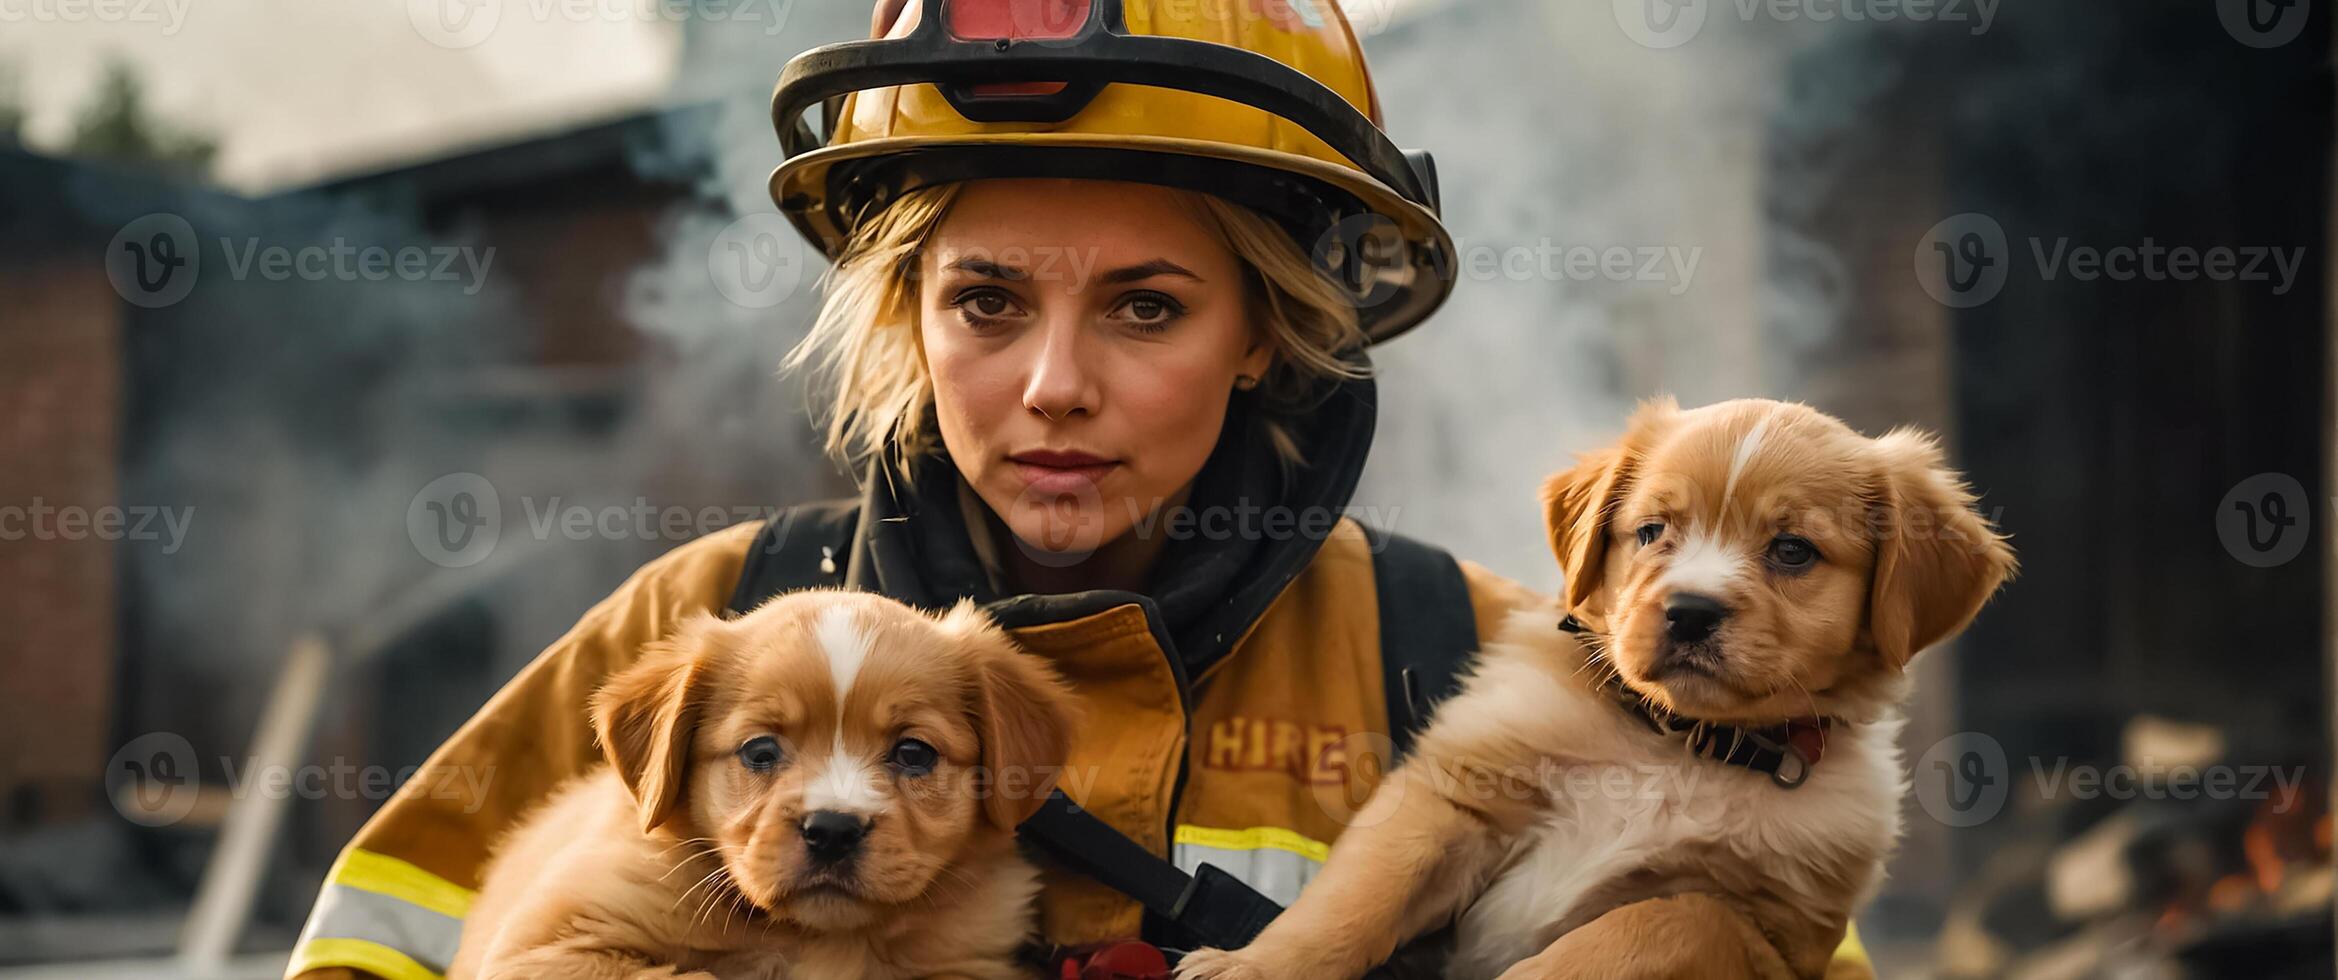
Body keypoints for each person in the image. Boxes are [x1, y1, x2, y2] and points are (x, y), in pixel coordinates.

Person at [288, 1, 1867, 977]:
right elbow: (382, 954)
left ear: (1263, 333)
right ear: (906, 318)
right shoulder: (706, 623)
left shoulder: (1465, 652)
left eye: (1144, 307)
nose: (1052, 383)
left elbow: (1755, 946)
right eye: (984, 302)